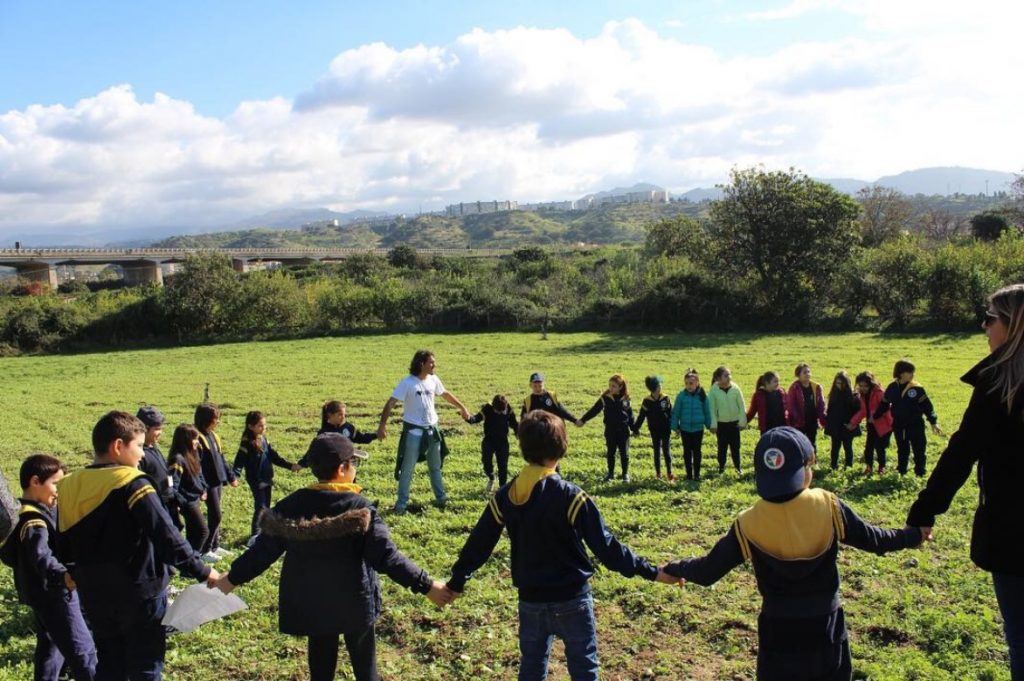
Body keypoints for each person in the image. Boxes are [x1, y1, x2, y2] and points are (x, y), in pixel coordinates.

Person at [661, 427, 924, 681]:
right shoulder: (828, 505)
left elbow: (708, 571)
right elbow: (874, 539)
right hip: (826, 627)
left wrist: (676, 567)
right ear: (805, 471)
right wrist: (913, 535)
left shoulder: (748, 523)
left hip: (778, 632)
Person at [446, 410, 679, 681]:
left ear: (523, 447)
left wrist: (456, 581)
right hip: (573, 599)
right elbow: (606, 548)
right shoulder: (572, 497)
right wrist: (652, 571)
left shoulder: (506, 496)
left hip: (531, 601)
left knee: (531, 668)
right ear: (561, 447)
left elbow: (479, 542)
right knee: (584, 669)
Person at [215, 433, 452, 681]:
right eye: (353, 463)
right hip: (355, 604)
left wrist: (231, 579)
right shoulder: (361, 509)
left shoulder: (290, 506)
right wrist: (427, 586)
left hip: (313, 604)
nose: (355, 468)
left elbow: (262, 552)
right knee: (365, 667)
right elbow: (387, 557)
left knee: (320, 665)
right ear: (342, 469)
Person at [906, 284, 1024, 678]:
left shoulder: (998, 384)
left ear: (1013, 325)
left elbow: (961, 453)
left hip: (1013, 535)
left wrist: (925, 511)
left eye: (990, 318)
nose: (983, 327)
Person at [57, 411, 218, 679]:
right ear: (118, 446)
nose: (143, 455)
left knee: (109, 663)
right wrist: (203, 571)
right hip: (139, 591)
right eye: (139, 446)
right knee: (146, 664)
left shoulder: (68, 486)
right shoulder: (132, 483)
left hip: (94, 593)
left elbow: (61, 545)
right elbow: (166, 535)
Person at [0, 454, 97, 681]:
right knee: (83, 651)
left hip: (39, 594)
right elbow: (41, 556)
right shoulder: (35, 521)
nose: (58, 491)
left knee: (50, 647)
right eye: (55, 484)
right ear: (35, 482)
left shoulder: (21, 511)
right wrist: (63, 576)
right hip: (56, 593)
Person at [376, 350, 471, 514]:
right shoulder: (407, 383)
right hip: (413, 432)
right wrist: (382, 425)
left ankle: (441, 499)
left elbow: (445, 394)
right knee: (407, 469)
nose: (434, 365)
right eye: (431, 362)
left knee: (435, 467)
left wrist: (462, 407)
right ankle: (401, 505)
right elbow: (391, 402)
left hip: (432, 430)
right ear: (421, 364)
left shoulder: (433, 379)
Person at [233, 411, 299, 544]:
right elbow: (239, 461)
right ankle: (254, 536)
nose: (263, 428)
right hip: (256, 479)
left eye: (264, 425)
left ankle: (263, 531)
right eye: (260, 426)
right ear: (250, 426)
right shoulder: (247, 443)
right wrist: (234, 475)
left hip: (266, 477)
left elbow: (273, 456)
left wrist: (289, 466)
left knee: (266, 506)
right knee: (261, 507)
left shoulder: (263, 439)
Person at [884, 359, 942, 477]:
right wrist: (874, 417)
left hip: (915, 425)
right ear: (901, 373)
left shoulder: (917, 388)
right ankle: (901, 471)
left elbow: (927, 406)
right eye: (910, 372)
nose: (912, 374)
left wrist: (933, 421)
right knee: (902, 449)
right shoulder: (892, 387)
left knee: (919, 450)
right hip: (899, 425)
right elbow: (884, 404)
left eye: (913, 372)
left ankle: (920, 472)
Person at [195, 403, 237, 558]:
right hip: (207, 483)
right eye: (216, 419)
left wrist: (231, 476)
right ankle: (205, 550)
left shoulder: (214, 436)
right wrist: (201, 486)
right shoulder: (198, 438)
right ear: (207, 419)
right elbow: (197, 465)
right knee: (216, 515)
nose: (218, 421)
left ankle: (215, 545)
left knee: (216, 513)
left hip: (218, 480)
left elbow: (221, 458)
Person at [580, 374, 635, 482]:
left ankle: (625, 474)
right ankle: (610, 474)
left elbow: (630, 415)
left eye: (614, 386)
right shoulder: (605, 398)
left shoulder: (625, 399)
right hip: (610, 429)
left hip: (623, 430)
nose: (611, 388)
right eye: (610, 385)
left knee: (624, 453)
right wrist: (583, 420)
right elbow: (594, 410)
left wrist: (634, 428)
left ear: (620, 387)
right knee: (611, 453)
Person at [166, 424, 210, 554]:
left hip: (194, 498)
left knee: (193, 533)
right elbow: (172, 484)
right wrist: (180, 501)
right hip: (187, 501)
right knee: (203, 531)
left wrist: (203, 489)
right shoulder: (177, 459)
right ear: (184, 440)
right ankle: (193, 560)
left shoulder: (193, 454)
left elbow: (199, 473)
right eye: (194, 439)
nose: (197, 441)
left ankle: (187, 568)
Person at [298, 400, 378, 468]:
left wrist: (376, 435)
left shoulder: (348, 427)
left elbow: (361, 438)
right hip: (332, 468)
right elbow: (314, 450)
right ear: (330, 415)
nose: (343, 417)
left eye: (344, 415)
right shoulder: (324, 432)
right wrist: (301, 464)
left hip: (349, 467)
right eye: (340, 415)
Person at [465, 395, 519, 492]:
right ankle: (491, 478)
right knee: (486, 463)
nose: (500, 413)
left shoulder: (508, 408)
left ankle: (502, 489)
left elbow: (514, 423)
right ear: (493, 407)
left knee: (503, 466)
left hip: (503, 441)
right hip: (489, 440)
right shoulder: (487, 408)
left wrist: (519, 434)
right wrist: (468, 418)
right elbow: (476, 419)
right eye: (498, 411)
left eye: (502, 412)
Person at [136, 406, 178, 528]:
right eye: (157, 429)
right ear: (145, 429)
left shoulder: (153, 447)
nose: (160, 433)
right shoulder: (140, 454)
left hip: (168, 502)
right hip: (156, 504)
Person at [847, 372, 892, 475]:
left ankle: (882, 467)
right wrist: (853, 422)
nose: (863, 388)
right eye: (861, 386)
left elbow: (886, 408)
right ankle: (869, 467)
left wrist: (875, 416)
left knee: (880, 448)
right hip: (871, 425)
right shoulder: (862, 395)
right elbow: (863, 411)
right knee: (869, 447)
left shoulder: (879, 393)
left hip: (883, 425)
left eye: (865, 386)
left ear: (870, 383)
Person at [671, 368, 711, 481]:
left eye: (691, 383)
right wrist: (675, 426)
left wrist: (709, 425)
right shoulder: (681, 396)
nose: (689, 386)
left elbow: (707, 412)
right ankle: (689, 474)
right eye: (687, 383)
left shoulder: (703, 396)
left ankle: (697, 474)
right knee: (687, 452)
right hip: (685, 429)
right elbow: (676, 412)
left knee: (697, 451)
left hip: (698, 429)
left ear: (697, 383)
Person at [633, 376, 674, 480]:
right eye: (659, 385)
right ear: (655, 388)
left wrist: (675, 426)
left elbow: (671, 413)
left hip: (666, 428)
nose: (661, 386)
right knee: (656, 451)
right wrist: (635, 428)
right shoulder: (647, 401)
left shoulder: (665, 398)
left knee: (666, 451)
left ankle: (670, 473)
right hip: (654, 430)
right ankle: (658, 473)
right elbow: (641, 416)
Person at [709, 366, 747, 474]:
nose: (729, 377)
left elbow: (741, 405)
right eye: (726, 375)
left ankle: (738, 468)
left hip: (734, 424)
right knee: (722, 447)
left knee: (736, 447)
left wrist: (742, 421)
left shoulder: (735, 388)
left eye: (730, 374)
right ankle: (721, 467)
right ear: (718, 378)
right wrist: (713, 424)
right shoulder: (713, 391)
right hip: (721, 425)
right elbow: (711, 408)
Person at [824, 372, 860, 470]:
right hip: (836, 426)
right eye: (837, 383)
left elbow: (858, 412)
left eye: (841, 383)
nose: (839, 385)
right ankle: (833, 466)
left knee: (848, 447)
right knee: (835, 447)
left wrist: (853, 423)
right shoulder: (833, 394)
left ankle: (848, 466)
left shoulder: (853, 396)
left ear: (846, 383)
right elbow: (830, 410)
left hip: (847, 426)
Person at [787, 363, 826, 452]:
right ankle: (800, 462)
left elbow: (821, 404)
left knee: (812, 442)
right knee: (799, 442)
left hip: (812, 420)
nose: (807, 374)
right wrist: (797, 418)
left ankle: (813, 462)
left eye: (808, 372)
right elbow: (791, 405)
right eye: (804, 372)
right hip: (799, 422)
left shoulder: (816, 387)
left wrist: (822, 418)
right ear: (798, 375)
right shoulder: (794, 387)